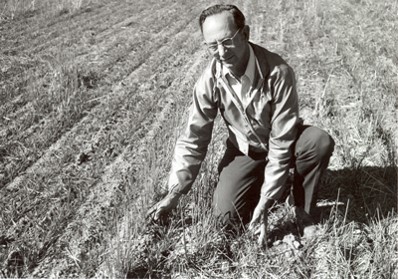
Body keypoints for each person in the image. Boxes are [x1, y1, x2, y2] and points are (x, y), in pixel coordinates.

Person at [147, 4, 334, 245]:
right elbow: (194, 137)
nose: (222, 52)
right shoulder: (209, 81)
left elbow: (281, 140)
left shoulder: (278, 72)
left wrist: (266, 201)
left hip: (283, 143)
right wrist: (175, 192)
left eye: (227, 41)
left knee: (318, 142)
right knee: (224, 220)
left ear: (245, 33)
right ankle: (269, 185)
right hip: (245, 151)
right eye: (212, 46)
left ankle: (303, 210)